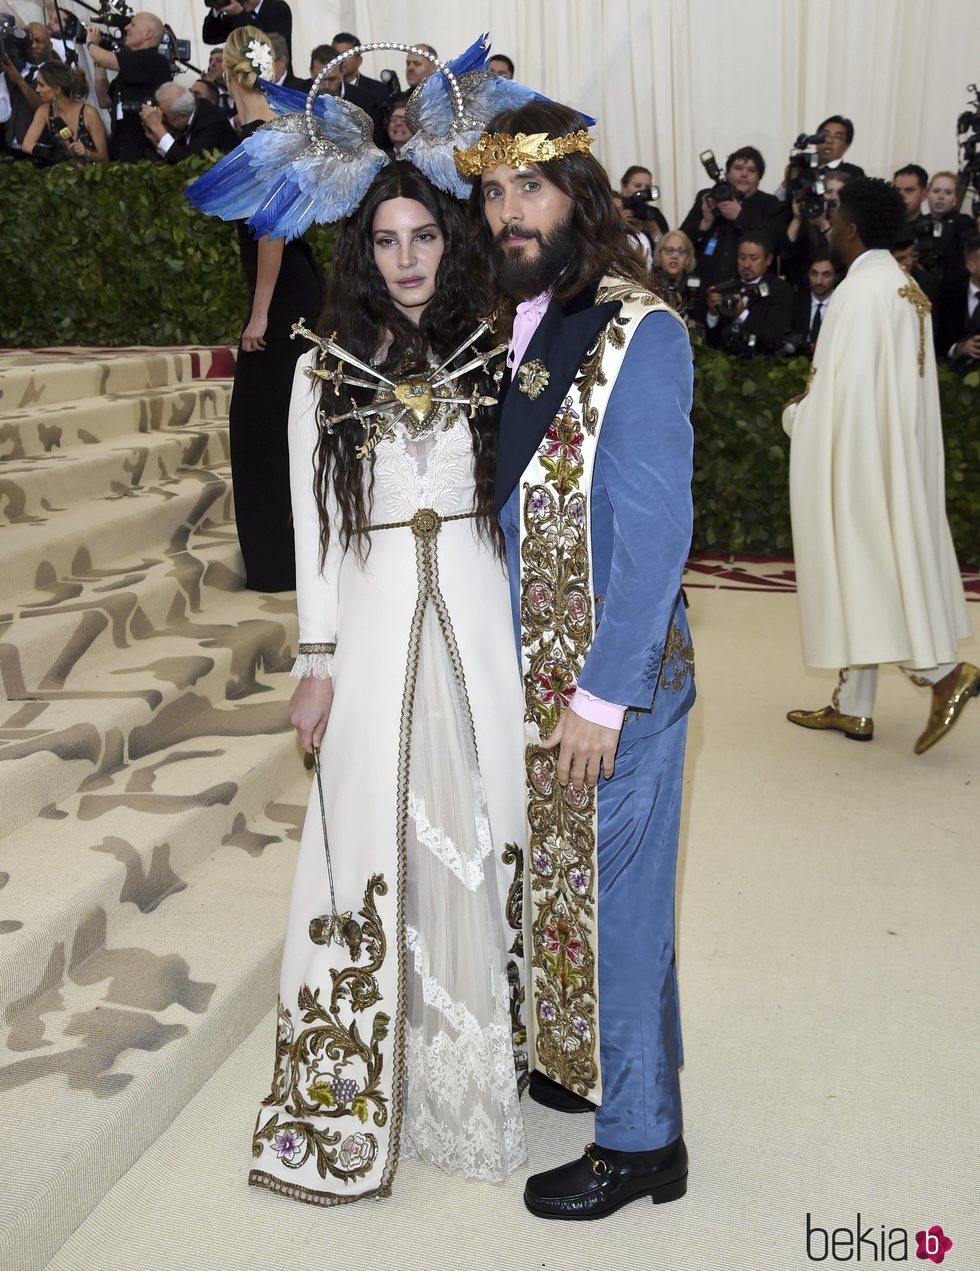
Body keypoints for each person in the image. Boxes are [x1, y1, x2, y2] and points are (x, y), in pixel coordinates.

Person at [189, 37, 538, 1202]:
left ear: (450, 235)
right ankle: (364, 1065)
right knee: (377, 823)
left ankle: (484, 1060)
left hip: (480, 610)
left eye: (423, 238)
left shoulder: (496, 349)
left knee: (489, 799)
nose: (405, 260)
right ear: (361, 249)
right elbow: (315, 525)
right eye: (385, 243)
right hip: (378, 616)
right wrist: (316, 657)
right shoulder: (321, 364)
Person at [461, 97, 696, 1219]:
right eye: (495, 192)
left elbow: (655, 538)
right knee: (565, 889)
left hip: (615, 686)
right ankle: (576, 1057)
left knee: (623, 900)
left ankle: (644, 1139)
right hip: (535, 670)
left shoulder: (638, 330)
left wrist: (602, 695)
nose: (509, 212)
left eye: (531, 190)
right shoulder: (520, 317)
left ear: (579, 200)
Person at [783, 178, 978, 753]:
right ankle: (854, 706)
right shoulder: (903, 286)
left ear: (855, 228)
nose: (828, 224)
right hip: (896, 455)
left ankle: (943, 674)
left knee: (866, 569)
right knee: (874, 565)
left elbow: (839, 395)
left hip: (862, 460)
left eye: (835, 215)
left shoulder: (858, 293)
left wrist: (798, 415)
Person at [214, 26, 323, 590]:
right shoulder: (271, 131)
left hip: (281, 299)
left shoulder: (261, 136)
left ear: (231, 72)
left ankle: (279, 564)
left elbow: (271, 234)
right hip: (292, 290)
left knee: (263, 428)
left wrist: (259, 314)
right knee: (281, 424)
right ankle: (286, 559)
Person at [680, 144, 787, 290]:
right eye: (738, 169)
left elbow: (774, 243)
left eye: (751, 170)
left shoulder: (771, 204)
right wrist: (705, 223)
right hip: (703, 286)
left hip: (750, 292)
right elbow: (681, 241)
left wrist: (739, 215)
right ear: (727, 173)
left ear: (759, 177)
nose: (744, 174)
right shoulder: (708, 197)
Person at [85, 11, 172, 161]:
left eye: (132, 24)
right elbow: (104, 99)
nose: (126, 28)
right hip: (121, 150)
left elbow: (101, 57)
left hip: (144, 155)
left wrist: (91, 43)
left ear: (146, 34)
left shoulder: (154, 61)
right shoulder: (131, 68)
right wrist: (99, 62)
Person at [705, 231, 793, 355]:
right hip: (725, 360)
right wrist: (713, 313)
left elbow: (772, 336)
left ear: (768, 259)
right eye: (742, 257)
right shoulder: (725, 286)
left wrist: (741, 314)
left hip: (762, 363)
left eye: (753, 258)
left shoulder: (780, 290)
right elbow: (711, 340)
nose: (746, 264)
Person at [22, 59, 107, 163]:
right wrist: (52, 154)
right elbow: (26, 145)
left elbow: (104, 157)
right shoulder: (44, 111)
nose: (37, 90)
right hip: (64, 175)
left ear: (57, 89)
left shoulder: (88, 113)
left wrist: (86, 152)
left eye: (41, 85)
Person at [140, 81, 237, 161]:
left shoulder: (211, 121)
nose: (161, 120)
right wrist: (156, 139)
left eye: (164, 116)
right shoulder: (190, 113)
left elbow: (190, 164)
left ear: (183, 116)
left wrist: (159, 129)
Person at [2, 21, 52, 154]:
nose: (33, 45)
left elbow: (45, 109)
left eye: (38, 41)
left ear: (50, 46)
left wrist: (19, 80)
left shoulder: (55, 73)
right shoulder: (13, 68)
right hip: (8, 147)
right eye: (29, 41)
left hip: (38, 150)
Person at [933, 233, 980, 367]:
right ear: (971, 266)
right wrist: (958, 349)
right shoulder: (949, 295)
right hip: (955, 377)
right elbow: (938, 338)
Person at [202, 0, 292, 61]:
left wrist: (241, 14)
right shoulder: (235, 14)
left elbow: (270, 46)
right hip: (244, 81)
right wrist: (217, 7)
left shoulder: (277, 8)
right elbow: (210, 37)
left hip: (275, 79)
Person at [787, 254, 837, 357]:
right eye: (814, 274)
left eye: (826, 275)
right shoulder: (795, 301)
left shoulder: (842, 303)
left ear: (836, 276)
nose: (819, 281)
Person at [653, 229, 699, 321]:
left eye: (680, 251)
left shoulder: (696, 287)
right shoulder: (649, 285)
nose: (674, 256)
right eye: (669, 250)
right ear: (659, 256)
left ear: (687, 259)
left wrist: (682, 314)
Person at [815, 114, 864, 179]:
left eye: (837, 137)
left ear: (846, 146)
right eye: (825, 135)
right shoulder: (803, 166)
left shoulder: (853, 173)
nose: (829, 141)